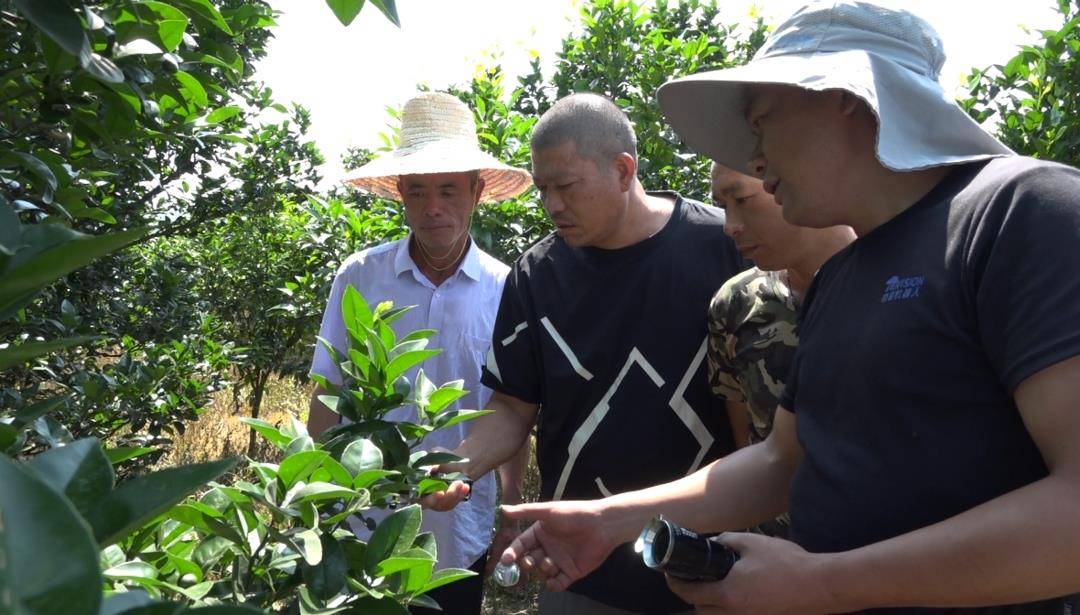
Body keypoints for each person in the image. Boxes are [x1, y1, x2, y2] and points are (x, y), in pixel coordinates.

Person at [496, 3, 1080, 613]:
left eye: (762, 122)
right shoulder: (843, 276)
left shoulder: (1021, 213)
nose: (755, 158)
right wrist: (607, 520)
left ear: (846, 99)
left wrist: (822, 582)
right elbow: (782, 460)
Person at [425, 93, 748, 614]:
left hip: (706, 563)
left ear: (623, 171)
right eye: (543, 189)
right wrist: (459, 467)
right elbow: (512, 407)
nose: (552, 205)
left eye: (566, 186)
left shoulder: (725, 246)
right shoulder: (537, 276)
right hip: (577, 568)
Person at [306, 91, 532, 615]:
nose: (433, 208)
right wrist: (315, 494)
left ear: (476, 192)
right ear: (400, 196)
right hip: (361, 522)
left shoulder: (507, 288)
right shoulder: (361, 277)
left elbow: (513, 406)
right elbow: (330, 391)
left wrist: (512, 505)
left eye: (448, 190)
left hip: (457, 531)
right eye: (418, 191)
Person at [707, 162, 855, 536]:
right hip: (775, 550)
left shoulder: (901, 286)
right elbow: (750, 444)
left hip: (888, 555)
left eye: (742, 199)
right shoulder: (736, 304)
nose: (730, 226)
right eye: (722, 206)